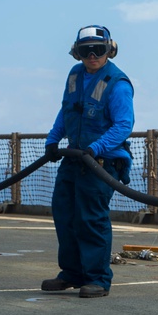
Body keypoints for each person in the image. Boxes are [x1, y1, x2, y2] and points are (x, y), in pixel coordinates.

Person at [41, 25, 134, 298]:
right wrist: (53, 139)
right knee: (65, 215)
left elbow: (124, 124)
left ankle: (97, 279)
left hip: (100, 163)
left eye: (98, 49)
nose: (92, 55)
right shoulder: (75, 75)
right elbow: (66, 110)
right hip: (73, 158)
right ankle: (71, 273)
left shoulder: (117, 83)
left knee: (90, 220)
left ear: (109, 50)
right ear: (76, 53)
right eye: (86, 50)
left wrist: (96, 148)